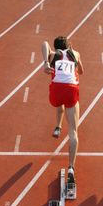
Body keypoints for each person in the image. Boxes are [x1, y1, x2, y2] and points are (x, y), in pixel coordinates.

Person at [42, 36, 84, 184]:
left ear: (55, 48)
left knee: (59, 103)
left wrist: (46, 63)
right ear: (69, 46)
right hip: (71, 90)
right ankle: (71, 167)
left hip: (56, 92)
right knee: (73, 131)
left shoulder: (53, 55)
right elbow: (82, 71)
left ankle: (58, 127)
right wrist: (75, 59)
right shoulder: (75, 54)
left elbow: (44, 43)